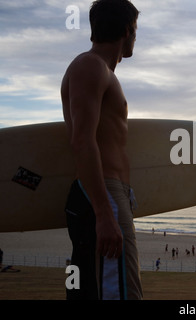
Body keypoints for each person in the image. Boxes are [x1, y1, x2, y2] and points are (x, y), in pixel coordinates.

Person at [61, 0, 142, 300]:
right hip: (104, 194)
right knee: (118, 292)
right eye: (136, 30)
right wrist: (105, 213)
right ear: (126, 30)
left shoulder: (102, 71)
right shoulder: (90, 65)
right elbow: (82, 140)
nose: (136, 37)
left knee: (94, 290)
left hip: (110, 194)